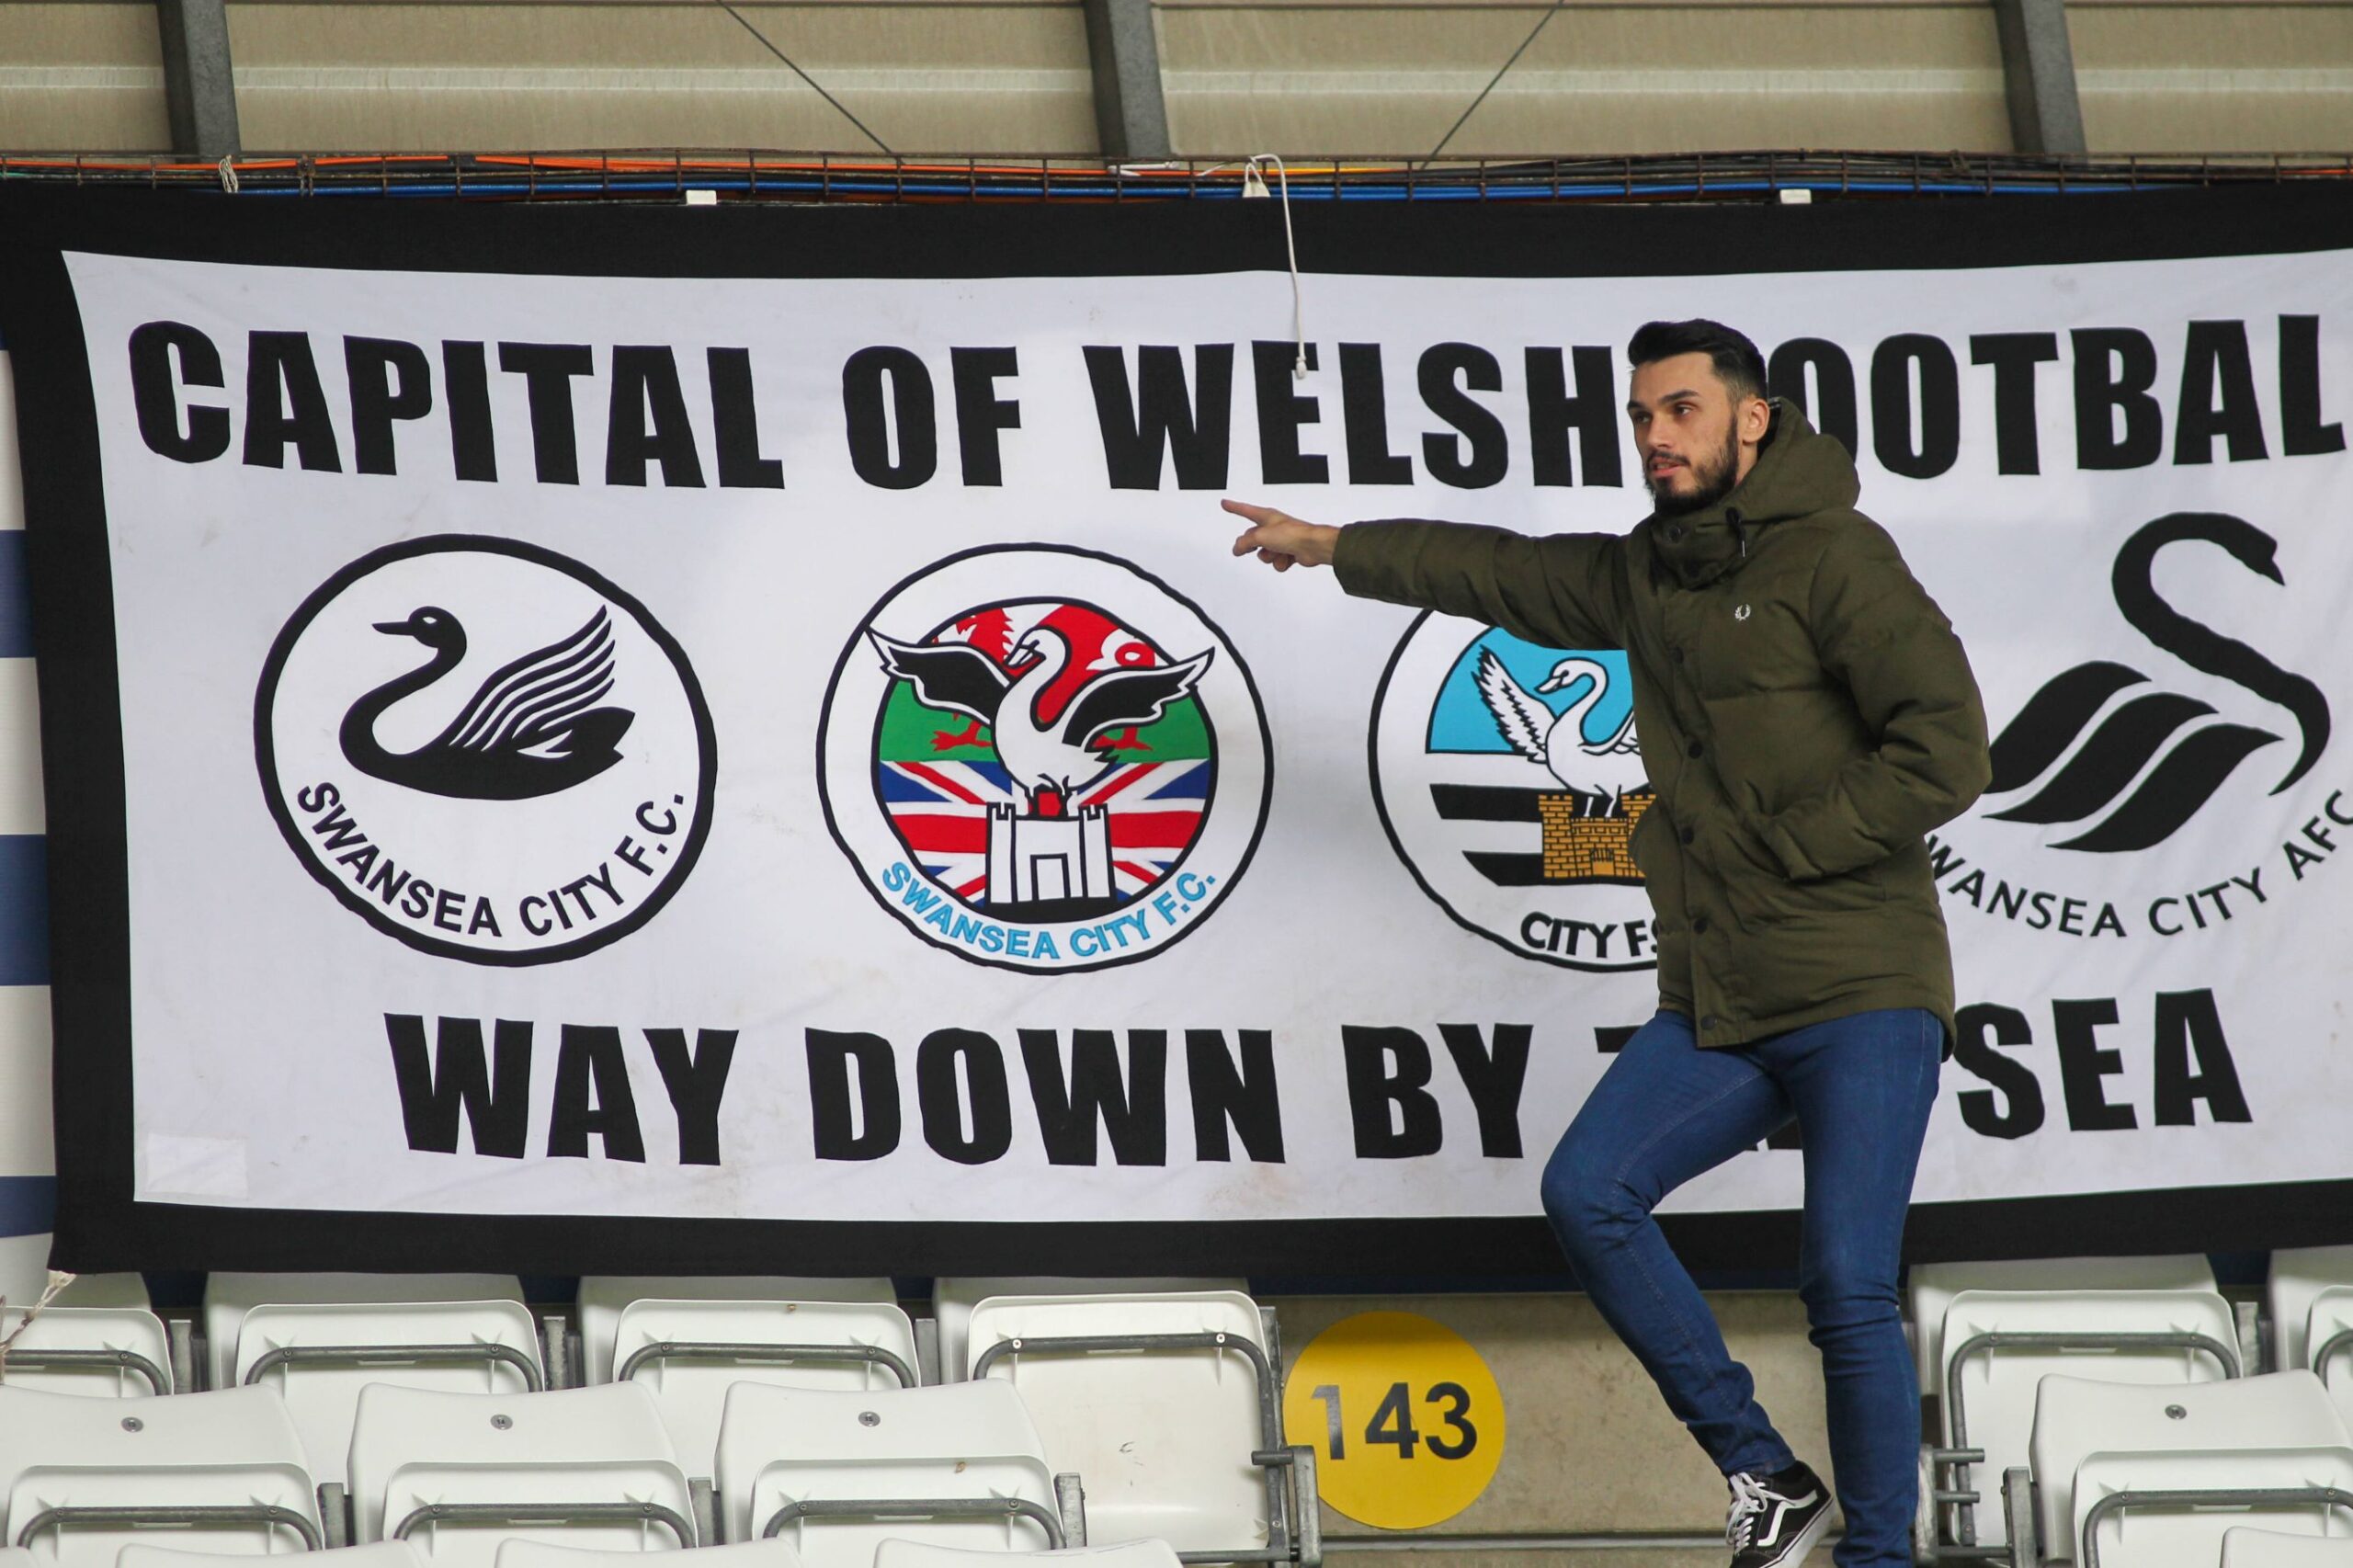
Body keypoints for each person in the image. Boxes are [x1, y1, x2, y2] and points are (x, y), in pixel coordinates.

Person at [1224, 319, 1991, 1568]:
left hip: (1863, 985)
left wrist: (1791, 848)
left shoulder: (1838, 557)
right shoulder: (1647, 572)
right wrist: (1339, 547)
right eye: (1641, 416)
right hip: (1724, 993)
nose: (1655, 438)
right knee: (1589, 1189)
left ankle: (1880, 1561)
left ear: (1751, 418)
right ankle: (1762, 1471)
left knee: (1846, 1285)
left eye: (1680, 410)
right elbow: (1507, 572)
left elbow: (1949, 748)